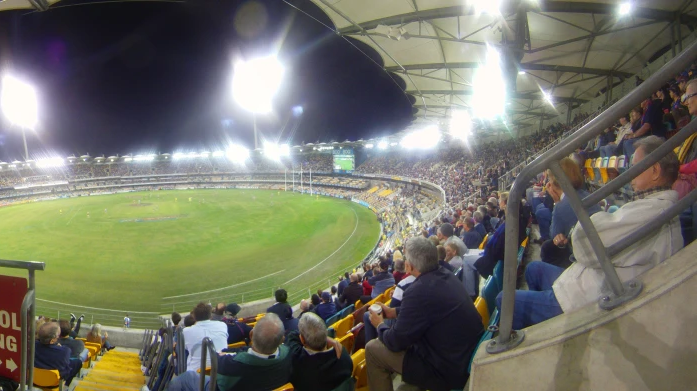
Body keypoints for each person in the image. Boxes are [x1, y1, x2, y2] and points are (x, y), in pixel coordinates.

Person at [498, 136, 683, 329]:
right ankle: (545, 328)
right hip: (584, 280)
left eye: (635, 166)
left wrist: (577, 229)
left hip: (586, 297)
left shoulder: (651, 212)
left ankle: (547, 335)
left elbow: (586, 244)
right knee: (533, 269)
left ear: (654, 171)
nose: (629, 172)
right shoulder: (653, 207)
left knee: (505, 299)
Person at [366, 237, 484, 391]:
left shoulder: (417, 291)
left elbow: (395, 341)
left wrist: (379, 325)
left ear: (409, 266)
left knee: (372, 349)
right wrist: (393, 312)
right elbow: (427, 309)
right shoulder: (445, 274)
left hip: (448, 371)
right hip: (463, 356)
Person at [168, 314, 291, 391]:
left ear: (251, 335)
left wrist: (224, 357)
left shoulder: (232, 365)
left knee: (186, 378)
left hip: (222, 385)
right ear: (282, 339)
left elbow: (221, 384)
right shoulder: (288, 355)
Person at [286, 312, 355, 390]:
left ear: (302, 339)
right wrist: (324, 337)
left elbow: (292, 336)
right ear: (326, 333)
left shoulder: (298, 363)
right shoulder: (343, 355)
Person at [182, 302, 229, 373]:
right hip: (221, 370)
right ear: (210, 316)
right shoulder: (222, 325)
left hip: (197, 375)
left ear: (194, 317)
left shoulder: (186, 331)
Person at [34, 321, 79, 386]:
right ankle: (66, 385)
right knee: (77, 362)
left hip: (33, 380)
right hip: (53, 385)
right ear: (52, 340)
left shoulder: (29, 346)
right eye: (58, 336)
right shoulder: (65, 351)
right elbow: (66, 373)